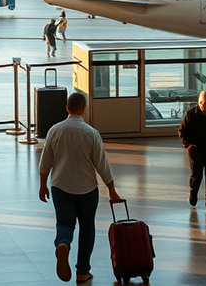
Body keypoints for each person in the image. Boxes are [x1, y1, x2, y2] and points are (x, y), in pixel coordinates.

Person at [39, 92, 119, 284]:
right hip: (87, 191)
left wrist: (43, 185)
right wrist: (112, 190)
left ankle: (63, 244)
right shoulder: (91, 133)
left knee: (65, 224)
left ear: (67, 108)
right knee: (87, 228)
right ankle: (83, 271)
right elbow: (102, 165)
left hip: (61, 187)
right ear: (84, 110)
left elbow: (45, 162)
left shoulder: (55, 130)